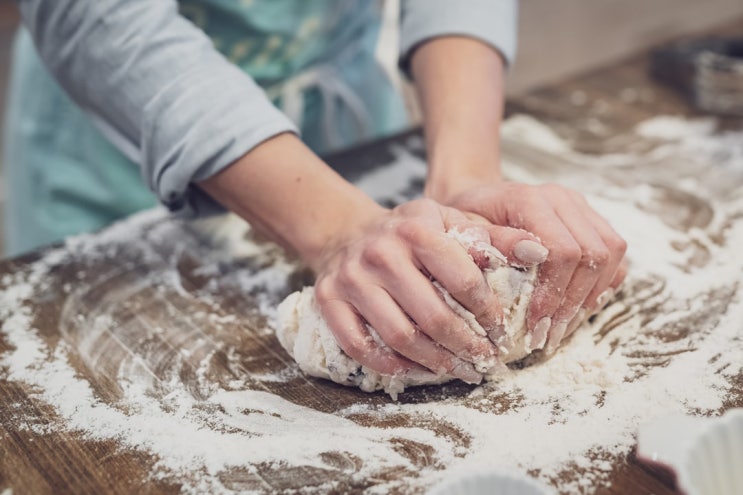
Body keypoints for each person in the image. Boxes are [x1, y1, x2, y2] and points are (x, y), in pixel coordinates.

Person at [4, 0, 626, 383]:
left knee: (405, 275)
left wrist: (465, 177)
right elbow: (97, 16)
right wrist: (337, 228)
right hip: (121, 143)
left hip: (342, 121)